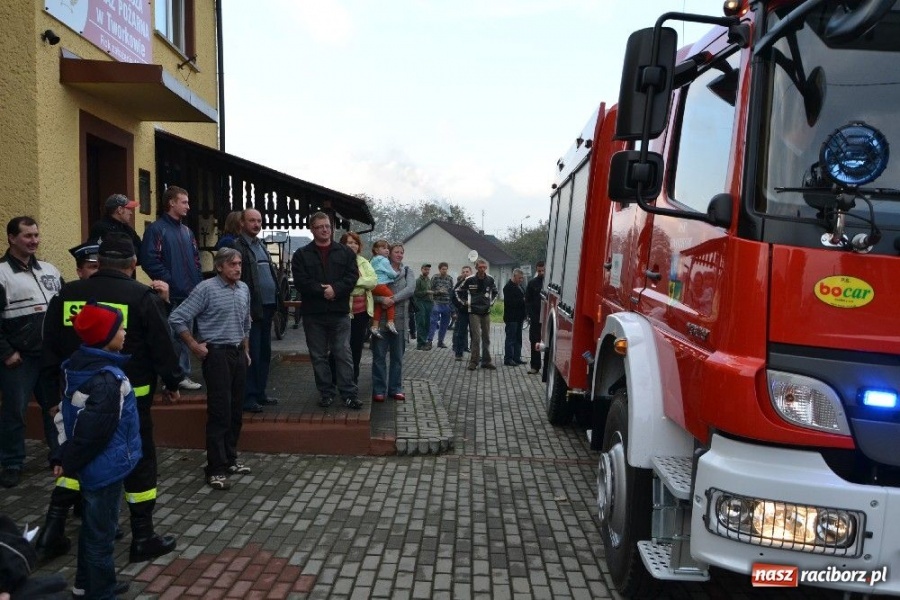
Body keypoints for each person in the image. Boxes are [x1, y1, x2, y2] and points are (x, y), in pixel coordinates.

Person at [41, 233, 181, 565]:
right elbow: (163, 345)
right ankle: (143, 536)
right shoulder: (142, 296)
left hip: (76, 393)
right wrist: (173, 381)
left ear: (99, 262)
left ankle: (54, 528)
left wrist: (51, 395)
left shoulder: (68, 294)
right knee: (138, 459)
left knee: (78, 452)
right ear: (133, 265)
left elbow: (49, 345)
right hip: (130, 395)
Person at [55, 303, 141, 599]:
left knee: (92, 531)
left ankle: (84, 584)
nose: (125, 332)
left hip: (96, 465)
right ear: (105, 336)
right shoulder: (108, 381)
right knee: (101, 537)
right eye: (120, 328)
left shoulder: (79, 365)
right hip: (104, 467)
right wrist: (67, 461)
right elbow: (94, 434)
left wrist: (65, 457)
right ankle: (101, 592)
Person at [170, 248, 252, 491]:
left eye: (239, 264)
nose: (237, 268)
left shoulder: (244, 289)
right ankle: (214, 468)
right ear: (219, 267)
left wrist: (246, 349)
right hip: (216, 354)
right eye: (232, 264)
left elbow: (246, 321)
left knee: (236, 410)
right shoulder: (206, 289)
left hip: (238, 353)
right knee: (220, 412)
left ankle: (230, 460)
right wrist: (194, 345)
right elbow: (177, 318)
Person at [0, 217, 63, 488]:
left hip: (49, 357)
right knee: (15, 412)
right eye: (27, 236)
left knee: (55, 410)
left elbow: (64, 307)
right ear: (12, 238)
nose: (34, 240)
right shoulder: (2, 273)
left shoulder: (49, 269)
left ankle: (59, 455)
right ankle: (12, 462)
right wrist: (6, 352)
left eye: (36, 235)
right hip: (19, 359)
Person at [291, 212, 360, 409]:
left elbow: (352, 276)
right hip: (314, 314)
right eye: (320, 226)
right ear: (312, 229)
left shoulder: (345, 253)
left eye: (327, 226)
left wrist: (335, 290)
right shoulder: (301, 255)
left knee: (342, 352)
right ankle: (326, 393)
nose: (325, 229)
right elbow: (301, 281)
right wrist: (323, 291)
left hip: (339, 312)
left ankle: (349, 394)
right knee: (318, 355)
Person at [140, 185, 203, 391]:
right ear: (171, 203)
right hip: (170, 295)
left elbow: (196, 261)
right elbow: (150, 260)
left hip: (190, 293)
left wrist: (197, 283)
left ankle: (181, 375)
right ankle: (174, 378)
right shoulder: (157, 229)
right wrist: (170, 282)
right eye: (184, 202)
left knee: (185, 335)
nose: (188, 206)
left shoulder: (187, 231)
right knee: (171, 337)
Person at [221, 209, 279, 414]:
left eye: (259, 221)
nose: (256, 224)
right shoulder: (236, 246)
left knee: (264, 353)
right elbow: (232, 277)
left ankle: (261, 392)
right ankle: (249, 396)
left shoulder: (260, 245)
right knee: (251, 353)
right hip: (251, 308)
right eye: (252, 221)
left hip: (269, 306)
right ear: (242, 223)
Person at [371, 243, 415, 402]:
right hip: (381, 320)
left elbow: (410, 289)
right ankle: (379, 390)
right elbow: (371, 290)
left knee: (397, 358)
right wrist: (381, 299)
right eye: (396, 251)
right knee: (379, 356)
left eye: (402, 252)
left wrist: (392, 300)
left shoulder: (408, 271)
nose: (399, 254)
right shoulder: (379, 268)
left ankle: (395, 388)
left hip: (400, 320)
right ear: (389, 254)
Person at [342, 232, 376, 383]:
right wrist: (360, 283)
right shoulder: (338, 261)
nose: (353, 245)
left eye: (355, 242)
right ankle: (337, 378)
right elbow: (340, 285)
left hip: (362, 313)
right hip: (343, 312)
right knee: (340, 347)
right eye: (349, 242)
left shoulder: (363, 262)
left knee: (356, 347)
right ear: (343, 244)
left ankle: (353, 379)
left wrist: (352, 282)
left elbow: (373, 281)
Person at [456, 258, 498, 371]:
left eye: (484, 267)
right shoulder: (469, 280)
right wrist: (465, 302)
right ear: (476, 268)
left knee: (487, 337)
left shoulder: (490, 279)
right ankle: (474, 362)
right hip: (473, 312)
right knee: (476, 337)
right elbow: (458, 291)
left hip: (486, 312)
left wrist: (491, 303)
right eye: (480, 267)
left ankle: (486, 361)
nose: (482, 269)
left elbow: (495, 292)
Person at [88, 194, 142, 263]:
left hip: (127, 272)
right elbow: (94, 254)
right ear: (119, 210)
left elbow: (140, 253)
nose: (131, 213)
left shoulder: (127, 229)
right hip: (107, 271)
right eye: (128, 209)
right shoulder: (100, 228)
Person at [368, 239, 398, 338]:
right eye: (384, 248)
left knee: (379, 305)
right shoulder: (383, 260)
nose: (387, 250)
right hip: (381, 285)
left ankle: (375, 326)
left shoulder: (372, 260)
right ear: (376, 250)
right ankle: (390, 322)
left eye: (388, 248)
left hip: (373, 285)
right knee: (391, 300)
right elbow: (391, 273)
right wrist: (396, 274)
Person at [503, 269, 527, 366]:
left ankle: (517, 357)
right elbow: (511, 303)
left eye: (522, 278)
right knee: (511, 339)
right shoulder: (508, 288)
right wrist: (523, 300)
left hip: (519, 317)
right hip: (511, 317)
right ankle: (508, 358)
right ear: (514, 276)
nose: (521, 280)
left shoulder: (520, 287)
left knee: (518, 338)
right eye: (519, 278)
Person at [525, 261, 545, 374]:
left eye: (543, 270)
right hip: (536, 317)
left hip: (548, 317)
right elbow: (527, 300)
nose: (541, 273)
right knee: (534, 341)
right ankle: (535, 366)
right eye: (539, 271)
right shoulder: (532, 283)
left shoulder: (550, 282)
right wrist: (530, 315)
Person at [428, 262, 454, 348]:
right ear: (439, 269)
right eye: (443, 269)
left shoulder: (450, 278)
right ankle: (430, 341)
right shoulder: (435, 277)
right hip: (436, 302)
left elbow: (451, 292)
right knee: (433, 323)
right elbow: (429, 290)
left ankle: (440, 341)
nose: (444, 271)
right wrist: (438, 291)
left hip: (446, 304)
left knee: (445, 324)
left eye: (446, 269)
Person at [451, 265, 472, 361]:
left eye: (467, 271)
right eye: (463, 272)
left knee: (474, 334)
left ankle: (474, 354)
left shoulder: (475, 282)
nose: (465, 273)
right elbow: (453, 297)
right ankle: (458, 353)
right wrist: (460, 305)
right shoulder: (459, 284)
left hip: (474, 312)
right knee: (461, 333)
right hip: (463, 312)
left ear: (471, 272)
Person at [413, 263, 433, 350]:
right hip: (420, 303)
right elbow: (415, 293)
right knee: (421, 322)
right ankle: (420, 343)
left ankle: (424, 342)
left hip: (428, 303)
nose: (427, 271)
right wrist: (426, 292)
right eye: (425, 269)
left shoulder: (429, 280)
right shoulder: (418, 280)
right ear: (421, 269)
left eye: (428, 269)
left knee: (427, 323)